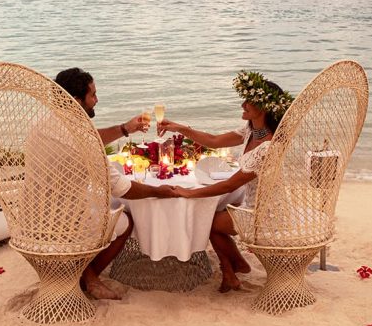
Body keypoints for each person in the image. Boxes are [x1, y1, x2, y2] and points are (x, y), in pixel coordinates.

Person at [158, 70, 294, 293]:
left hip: (266, 215)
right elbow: (214, 141)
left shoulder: (269, 146)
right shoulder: (252, 131)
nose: (243, 105)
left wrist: (190, 193)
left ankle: (233, 268)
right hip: (255, 206)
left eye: (247, 101)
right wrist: (180, 127)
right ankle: (232, 271)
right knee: (211, 217)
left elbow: (230, 185)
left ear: (261, 108)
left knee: (208, 221)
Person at [54, 67, 179, 300]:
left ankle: (87, 276)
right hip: (63, 224)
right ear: (76, 100)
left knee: (97, 203)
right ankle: (88, 278)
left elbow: (90, 137)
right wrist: (158, 191)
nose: (97, 100)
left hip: (33, 216)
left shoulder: (50, 123)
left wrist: (125, 129)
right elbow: (124, 188)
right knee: (124, 221)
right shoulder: (81, 140)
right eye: (92, 95)